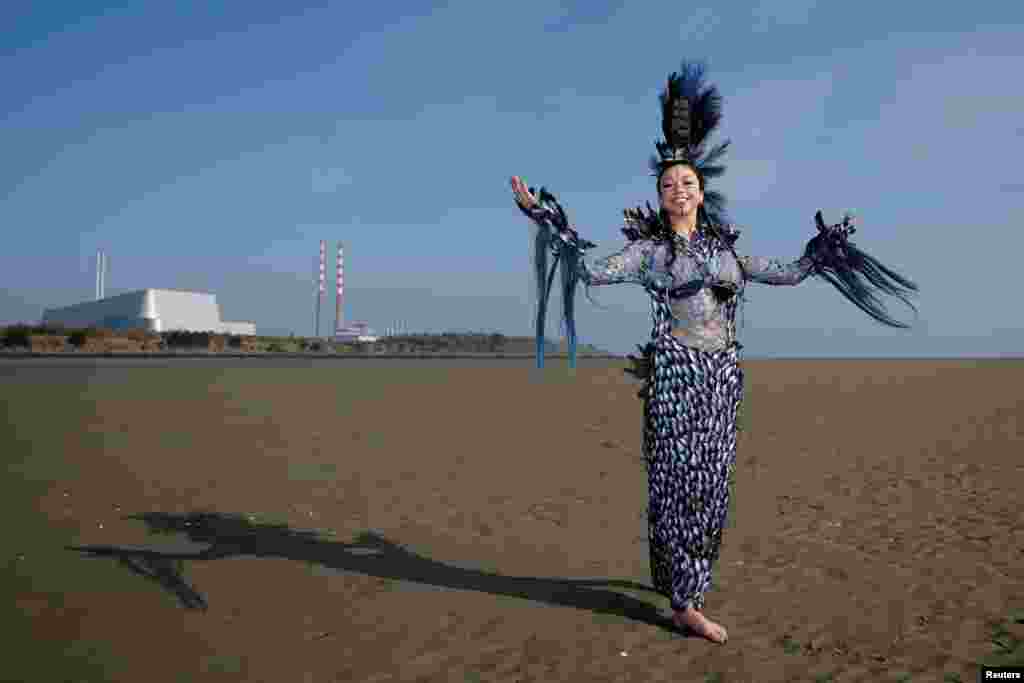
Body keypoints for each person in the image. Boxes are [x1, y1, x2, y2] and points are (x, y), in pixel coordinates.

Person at [510, 61, 918, 644]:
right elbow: (594, 274)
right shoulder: (648, 253)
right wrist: (549, 219)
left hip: (724, 376)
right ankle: (686, 601)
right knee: (679, 481)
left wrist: (821, 250)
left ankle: (675, 577)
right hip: (675, 373)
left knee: (712, 484)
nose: (679, 189)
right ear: (658, 195)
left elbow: (788, 273)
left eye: (687, 182)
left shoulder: (727, 252)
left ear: (702, 192)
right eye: (668, 184)